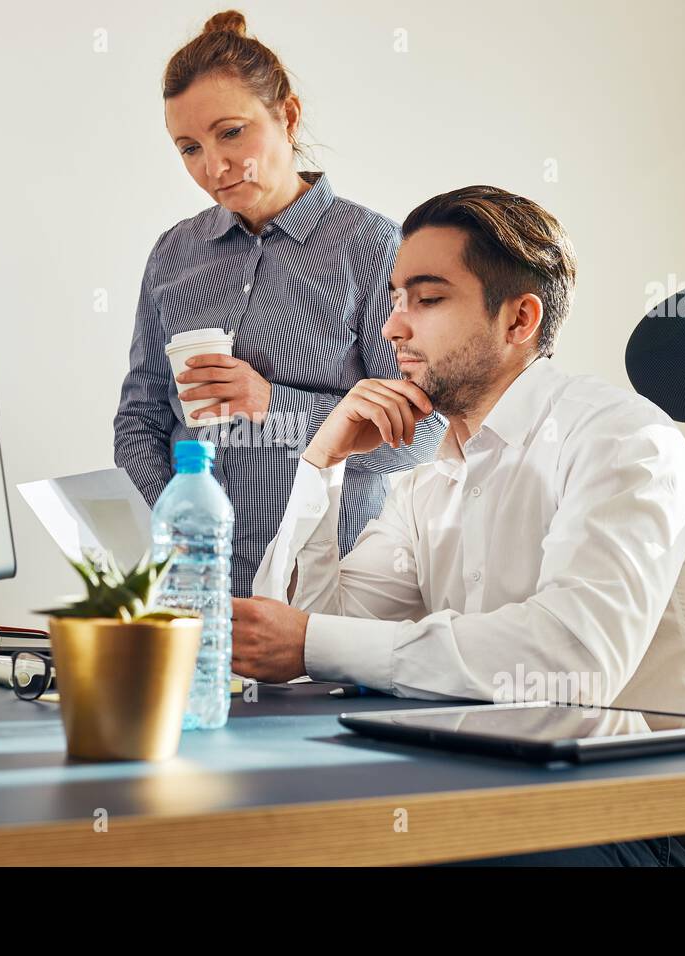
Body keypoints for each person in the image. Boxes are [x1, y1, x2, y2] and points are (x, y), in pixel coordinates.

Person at [233, 184, 685, 866]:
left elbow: (570, 664)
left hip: (629, 816)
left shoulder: (622, 439)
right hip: (487, 788)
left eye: (428, 298)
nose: (393, 328)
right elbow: (298, 647)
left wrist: (314, 642)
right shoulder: (424, 479)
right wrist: (322, 464)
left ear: (519, 319)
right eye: (394, 299)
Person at [114, 10, 445, 597]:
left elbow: (420, 430)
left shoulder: (375, 249)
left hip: (321, 593)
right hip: (194, 595)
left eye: (231, 132)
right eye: (188, 147)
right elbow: (138, 422)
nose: (213, 167)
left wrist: (271, 403)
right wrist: (181, 520)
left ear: (287, 116)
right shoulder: (172, 255)